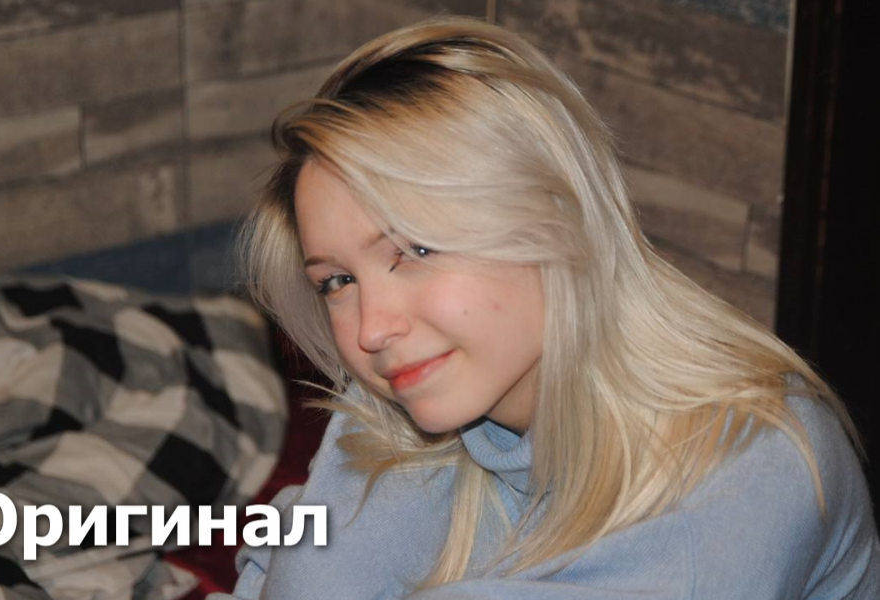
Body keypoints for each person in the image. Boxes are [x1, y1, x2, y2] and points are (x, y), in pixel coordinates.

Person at [216, 16, 880, 599]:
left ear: (555, 216)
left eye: (414, 248)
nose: (371, 328)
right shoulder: (414, 390)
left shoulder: (750, 467)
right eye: (338, 281)